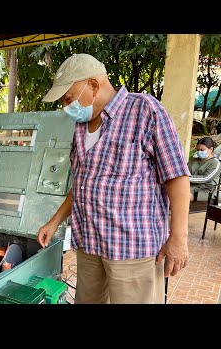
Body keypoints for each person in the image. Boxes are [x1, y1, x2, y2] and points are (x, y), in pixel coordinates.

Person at [36, 53, 190, 304]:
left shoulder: (144, 110)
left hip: (132, 250)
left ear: (93, 86)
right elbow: (82, 183)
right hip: (89, 244)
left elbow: (177, 177)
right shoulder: (81, 126)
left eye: (68, 98)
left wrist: (179, 238)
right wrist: (54, 222)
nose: (66, 107)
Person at [188, 136, 221, 202]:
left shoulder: (215, 163)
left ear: (211, 149)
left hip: (205, 189)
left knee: (180, 193)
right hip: (189, 185)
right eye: (197, 150)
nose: (199, 152)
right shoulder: (194, 160)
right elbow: (184, 171)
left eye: (202, 150)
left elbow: (205, 178)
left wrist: (186, 178)